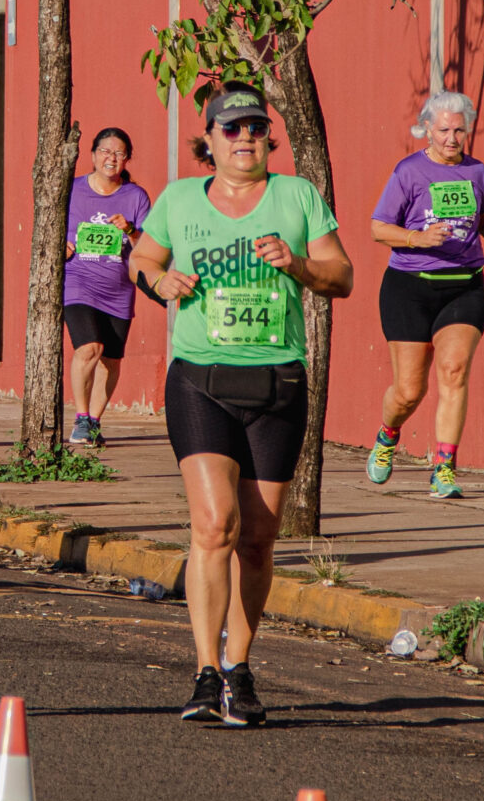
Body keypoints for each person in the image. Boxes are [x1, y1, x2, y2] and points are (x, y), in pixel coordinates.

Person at [127, 87, 353, 729]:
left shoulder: (297, 197)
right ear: (211, 141)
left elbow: (344, 276)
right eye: (231, 130)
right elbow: (143, 258)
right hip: (200, 377)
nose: (245, 138)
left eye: (256, 128)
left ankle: (240, 668)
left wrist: (301, 266)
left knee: (257, 540)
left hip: (277, 380)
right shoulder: (178, 200)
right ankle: (203, 670)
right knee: (214, 524)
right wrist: (159, 280)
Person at [367, 92, 484, 499]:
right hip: (410, 288)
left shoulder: (476, 172)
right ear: (427, 130)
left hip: (465, 285)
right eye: (444, 130)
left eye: (459, 130)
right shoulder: (409, 172)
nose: (452, 138)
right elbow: (379, 228)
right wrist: (417, 238)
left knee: (453, 372)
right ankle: (387, 435)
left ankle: (444, 469)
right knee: (409, 392)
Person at [61, 127, 152, 447]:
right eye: (105, 151)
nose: (111, 158)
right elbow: (48, 227)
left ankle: (95, 422)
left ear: (127, 159)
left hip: (118, 288)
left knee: (111, 358)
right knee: (89, 348)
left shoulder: (135, 196)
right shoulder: (71, 190)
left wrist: (129, 229)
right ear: (92, 155)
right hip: (78, 281)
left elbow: (149, 244)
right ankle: (81, 417)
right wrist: (61, 246)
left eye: (119, 153)